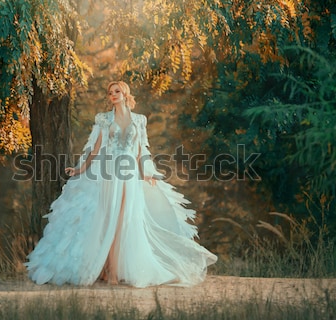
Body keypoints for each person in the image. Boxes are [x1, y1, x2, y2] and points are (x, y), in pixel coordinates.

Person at [24, 81, 217, 287]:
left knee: (124, 221)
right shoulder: (104, 119)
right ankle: (111, 273)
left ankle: (112, 271)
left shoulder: (139, 120)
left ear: (125, 93)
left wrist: (146, 174)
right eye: (110, 93)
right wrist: (79, 169)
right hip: (109, 174)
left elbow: (141, 151)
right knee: (110, 219)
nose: (113, 95)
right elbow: (96, 149)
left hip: (130, 176)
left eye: (116, 91)